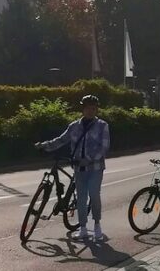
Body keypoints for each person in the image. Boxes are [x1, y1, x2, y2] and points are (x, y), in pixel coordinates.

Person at [35, 95, 110, 241]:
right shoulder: (74, 126)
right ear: (83, 109)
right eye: (88, 108)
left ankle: (97, 226)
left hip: (95, 167)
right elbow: (61, 140)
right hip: (78, 168)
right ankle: (82, 228)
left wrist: (88, 160)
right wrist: (44, 146)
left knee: (94, 194)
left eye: (94, 109)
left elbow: (104, 147)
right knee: (81, 198)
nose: (91, 111)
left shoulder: (102, 125)